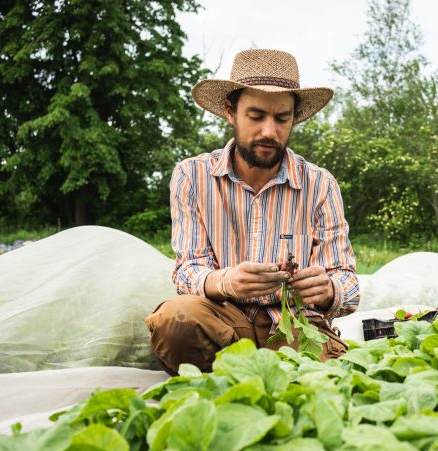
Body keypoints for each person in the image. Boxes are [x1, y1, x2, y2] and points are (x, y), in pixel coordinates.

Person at [145, 49, 360, 375]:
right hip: (222, 318)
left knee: (326, 380)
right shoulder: (193, 176)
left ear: (294, 118)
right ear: (231, 111)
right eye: (256, 116)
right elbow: (188, 272)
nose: (270, 132)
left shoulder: (319, 185)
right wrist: (227, 281)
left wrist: (330, 290)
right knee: (175, 321)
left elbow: (347, 280)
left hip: (294, 325)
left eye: (281, 118)